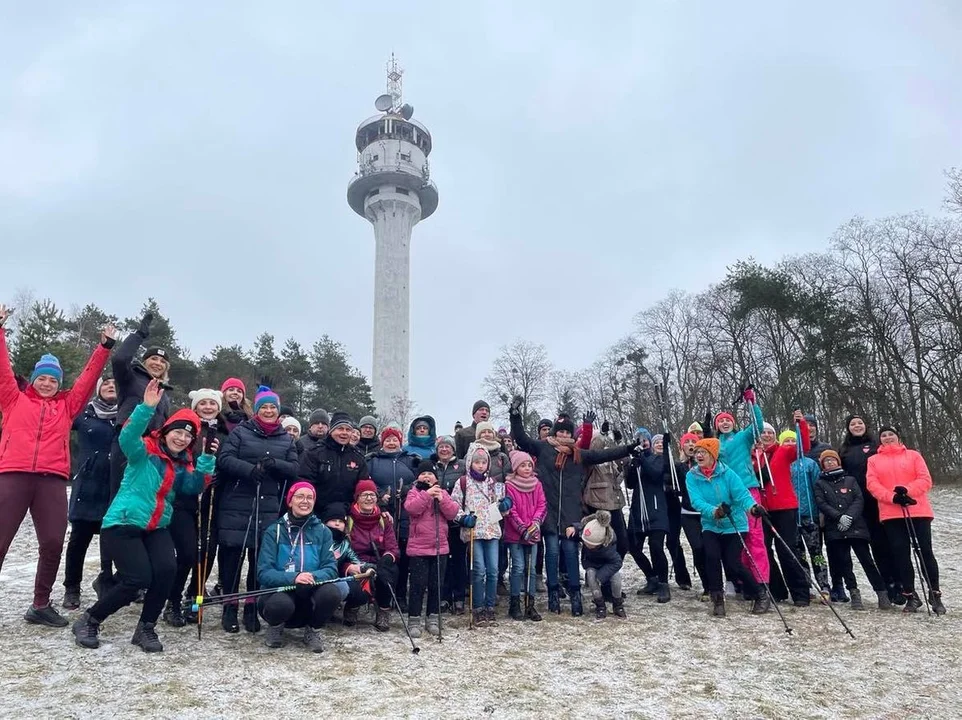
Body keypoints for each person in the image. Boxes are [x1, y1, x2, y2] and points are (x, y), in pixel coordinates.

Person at [71, 380, 215, 651]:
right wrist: (146, 408)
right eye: (178, 433)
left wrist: (206, 459)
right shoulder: (144, 451)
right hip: (123, 522)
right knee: (137, 578)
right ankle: (90, 619)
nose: (182, 438)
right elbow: (127, 437)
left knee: (166, 570)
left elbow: (193, 487)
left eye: (188, 436)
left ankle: (145, 628)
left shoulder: (180, 464)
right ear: (166, 431)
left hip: (156, 526)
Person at [0, 304, 114, 628]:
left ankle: (40, 604)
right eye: (43, 378)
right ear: (34, 380)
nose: (48, 383)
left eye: (53, 379)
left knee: (52, 542)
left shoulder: (67, 405)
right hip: (13, 474)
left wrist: (104, 347)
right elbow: (2, 369)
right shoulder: (13, 398)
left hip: (51, 480)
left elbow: (88, 379)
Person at [509, 398, 638, 617]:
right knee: (551, 552)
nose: (563, 436)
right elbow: (521, 438)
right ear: (554, 434)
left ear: (572, 435)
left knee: (569, 552)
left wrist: (628, 448)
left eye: (567, 433)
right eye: (560, 433)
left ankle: (576, 594)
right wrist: (515, 414)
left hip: (570, 513)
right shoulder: (543, 449)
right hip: (548, 512)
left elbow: (603, 455)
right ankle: (552, 593)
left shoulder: (578, 455)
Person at [216, 385, 299, 633]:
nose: (269, 410)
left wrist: (276, 464)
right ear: (257, 410)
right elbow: (225, 459)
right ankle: (229, 605)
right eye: (264, 407)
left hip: (267, 506)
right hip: (237, 503)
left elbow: (294, 468)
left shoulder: (285, 438)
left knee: (258, 560)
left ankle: (251, 607)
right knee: (232, 558)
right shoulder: (241, 432)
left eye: (273, 407)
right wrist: (249, 470)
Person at [685, 437, 769, 617]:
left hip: (734, 524)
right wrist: (714, 512)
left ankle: (760, 594)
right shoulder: (692, 475)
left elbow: (742, 495)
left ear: (713, 455)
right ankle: (718, 600)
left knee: (733, 564)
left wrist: (753, 508)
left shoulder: (728, 473)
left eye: (703, 452)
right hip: (711, 524)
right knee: (712, 557)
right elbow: (696, 501)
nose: (699, 455)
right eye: (697, 452)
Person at [866, 426, 946, 614]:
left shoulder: (913, 455)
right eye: (883, 436)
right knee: (901, 555)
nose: (887, 438)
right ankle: (910, 595)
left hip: (918, 510)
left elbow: (925, 479)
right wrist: (892, 497)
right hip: (891, 513)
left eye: (891, 434)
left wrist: (907, 491)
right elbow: (872, 484)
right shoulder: (874, 460)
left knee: (925, 552)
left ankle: (935, 594)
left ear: (898, 437)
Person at [257, 482, 343, 653]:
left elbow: (331, 568)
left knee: (332, 592)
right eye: (300, 496)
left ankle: (313, 630)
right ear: (290, 501)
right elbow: (264, 572)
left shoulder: (323, 531)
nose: (305, 501)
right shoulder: (274, 531)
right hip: (281, 591)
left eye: (310, 497)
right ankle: (276, 626)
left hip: (310, 592)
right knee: (279, 604)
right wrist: (294, 577)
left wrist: (310, 576)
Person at [164, 388, 224, 627]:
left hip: (213, 502)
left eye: (212, 403)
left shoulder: (225, 431)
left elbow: (229, 458)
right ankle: (173, 601)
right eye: (204, 403)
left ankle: (195, 599)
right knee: (188, 554)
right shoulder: (185, 428)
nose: (208, 407)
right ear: (195, 406)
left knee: (207, 553)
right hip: (184, 502)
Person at [62, 377, 118, 610]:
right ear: (99, 389)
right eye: (106, 384)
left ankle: (106, 579)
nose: (111, 386)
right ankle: (72, 587)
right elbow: (58, 420)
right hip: (87, 483)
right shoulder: (83, 414)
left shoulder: (125, 415)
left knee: (112, 538)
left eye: (116, 384)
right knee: (79, 540)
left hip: (115, 483)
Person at [814, 450, 889, 610]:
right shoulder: (820, 483)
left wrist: (849, 517)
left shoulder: (850, 480)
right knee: (844, 563)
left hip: (856, 527)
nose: (829, 463)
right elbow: (821, 503)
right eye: (826, 461)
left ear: (838, 462)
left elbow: (858, 499)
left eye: (832, 460)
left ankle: (881, 592)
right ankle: (854, 592)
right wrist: (838, 517)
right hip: (835, 529)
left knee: (867, 561)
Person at [839, 414, 901, 605]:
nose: (857, 426)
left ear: (866, 426)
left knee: (891, 544)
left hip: (881, 501)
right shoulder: (844, 450)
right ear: (848, 428)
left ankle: (901, 585)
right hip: (859, 504)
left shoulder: (876, 446)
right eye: (852, 424)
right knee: (876, 546)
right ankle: (887, 586)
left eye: (860, 423)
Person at [109, 313, 171, 499]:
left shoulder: (164, 393)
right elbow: (119, 359)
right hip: (128, 443)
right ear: (145, 361)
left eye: (162, 361)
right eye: (153, 359)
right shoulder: (131, 377)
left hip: (154, 448)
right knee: (123, 495)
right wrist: (139, 335)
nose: (158, 363)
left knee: (147, 499)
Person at [714, 389, 769, 590]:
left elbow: (758, 425)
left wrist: (752, 403)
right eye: (721, 421)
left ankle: (762, 581)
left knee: (755, 537)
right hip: (728, 495)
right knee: (738, 538)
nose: (725, 423)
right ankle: (744, 581)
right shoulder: (714, 445)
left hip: (748, 489)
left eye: (728, 420)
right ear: (717, 426)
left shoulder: (743, 437)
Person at [756, 412, 811, 606]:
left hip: (785, 507)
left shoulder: (783, 451)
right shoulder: (754, 454)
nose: (767, 435)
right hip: (762, 509)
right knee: (764, 551)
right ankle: (777, 589)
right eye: (763, 432)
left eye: (770, 432)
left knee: (787, 550)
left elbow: (803, 447)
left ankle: (800, 593)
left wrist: (801, 424)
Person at [451, 445, 508, 626]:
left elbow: (499, 507)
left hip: (491, 530)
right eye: (477, 462)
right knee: (479, 570)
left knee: (492, 570)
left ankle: (490, 607)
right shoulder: (463, 483)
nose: (481, 465)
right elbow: (454, 506)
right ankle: (477, 607)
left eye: (484, 462)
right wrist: (463, 518)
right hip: (474, 532)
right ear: (470, 463)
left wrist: (504, 506)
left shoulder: (493, 483)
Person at [404, 462, 459, 637]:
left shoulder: (442, 493)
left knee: (436, 585)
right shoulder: (414, 493)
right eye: (423, 473)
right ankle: (414, 619)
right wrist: (427, 495)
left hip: (439, 548)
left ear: (436, 478)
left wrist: (441, 500)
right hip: (418, 549)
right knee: (417, 586)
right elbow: (412, 509)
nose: (426, 476)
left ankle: (433, 618)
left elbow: (452, 513)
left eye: (430, 473)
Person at [366, 424, 416, 608]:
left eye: (395, 439)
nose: (392, 443)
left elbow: (421, 480)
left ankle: (401, 594)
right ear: (382, 442)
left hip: (405, 514)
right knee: (384, 555)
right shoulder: (373, 461)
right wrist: (380, 495)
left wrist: (406, 490)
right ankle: (382, 595)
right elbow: (366, 482)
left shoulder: (410, 460)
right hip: (382, 513)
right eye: (388, 440)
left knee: (403, 556)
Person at [345, 479, 401, 631]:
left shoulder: (383, 520)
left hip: (379, 560)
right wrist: (355, 565)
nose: (369, 498)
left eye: (372, 495)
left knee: (390, 572)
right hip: (357, 562)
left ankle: (383, 610)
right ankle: (353, 604)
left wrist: (387, 559)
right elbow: (344, 550)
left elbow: (393, 547)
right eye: (364, 495)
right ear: (357, 498)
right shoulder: (348, 520)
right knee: (357, 582)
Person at [625, 433, 671, 602]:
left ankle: (664, 584)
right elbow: (630, 483)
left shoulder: (658, 458)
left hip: (656, 509)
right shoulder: (638, 458)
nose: (644, 443)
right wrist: (632, 465)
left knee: (656, 546)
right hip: (638, 510)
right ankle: (652, 578)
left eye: (646, 441)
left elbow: (656, 474)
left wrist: (642, 459)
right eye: (641, 441)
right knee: (633, 547)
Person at [298, 411, 369, 516]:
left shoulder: (358, 457)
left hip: (348, 514)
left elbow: (364, 486)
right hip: (318, 513)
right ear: (331, 430)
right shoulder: (314, 453)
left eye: (348, 429)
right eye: (340, 429)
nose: (344, 433)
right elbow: (304, 482)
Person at [503, 450, 546, 621]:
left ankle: (530, 604)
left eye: (529, 465)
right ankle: (515, 604)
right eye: (523, 465)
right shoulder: (510, 485)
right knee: (518, 567)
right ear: (515, 467)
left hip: (533, 532)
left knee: (531, 569)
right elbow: (510, 510)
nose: (527, 468)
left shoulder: (537, 484)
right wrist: (522, 528)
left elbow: (542, 505)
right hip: (516, 533)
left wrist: (535, 523)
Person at [432, 436, 468, 613]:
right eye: (441, 447)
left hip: (457, 521)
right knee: (443, 561)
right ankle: (444, 596)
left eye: (448, 446)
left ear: (453, 449)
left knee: (459, 560)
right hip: (438, 522)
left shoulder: (461, 466)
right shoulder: (433, 466)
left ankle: (459, 596)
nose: (444, 450)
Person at [790, 442, 831, 596]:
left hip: (810, 515)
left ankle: (824, 584)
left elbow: (818, 487)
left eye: (792, 442)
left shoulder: (809, 464)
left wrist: (820, 511)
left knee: (816, 551)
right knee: (799, 553)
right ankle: (806, 584)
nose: (790, 445)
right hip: (792, 516)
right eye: (786, 441)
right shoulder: (784, 465)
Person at [582, 432, 628, 560]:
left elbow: (624, 461)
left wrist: (618, 442)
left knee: (623, 544)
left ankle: (613, 568)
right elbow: (594, 453)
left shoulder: (612, 461)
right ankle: (595, 571)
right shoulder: (591, 461)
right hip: (596, 504)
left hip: (615, 504)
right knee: (596, 541)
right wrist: (602, 435)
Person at [675, 432, 709, 598]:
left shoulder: (705, 464)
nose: (690, 445)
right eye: (686, 442)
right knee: (697, 548)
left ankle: (715, 585)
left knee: (710, 550)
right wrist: (680, 461)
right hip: (688, 513)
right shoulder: (679, 466)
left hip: (706, 513)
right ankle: (706, 586)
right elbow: (676, 480)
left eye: (693, 442)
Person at [578, 510, 626, 619]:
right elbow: (579, 527)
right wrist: (573, 527)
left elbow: (617, 562)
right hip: (592, 564)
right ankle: (600, 605)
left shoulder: (608, 547)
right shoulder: (588, 529)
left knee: (616, 578)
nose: (585, 545)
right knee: (591, 576)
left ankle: (618, 604)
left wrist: (602, 576)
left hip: (608, 566)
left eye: (589, 545)